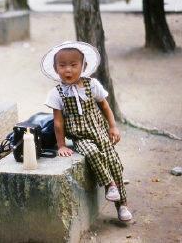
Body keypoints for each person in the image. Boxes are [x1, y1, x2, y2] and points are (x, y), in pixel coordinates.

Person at [41, 41, 133, 222]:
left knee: (113, 162)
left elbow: (106, 107)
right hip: (80, 136)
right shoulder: (57, 93)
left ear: (84, 66)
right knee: (91, 152)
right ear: (55, 68)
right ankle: (109, 185)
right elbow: (58, 123)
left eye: (73, 65)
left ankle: (122, 205)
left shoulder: (93, 85)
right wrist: (61, 145)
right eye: (62, 65)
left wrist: (113, 126)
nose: (68, 70)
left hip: (100, 132)